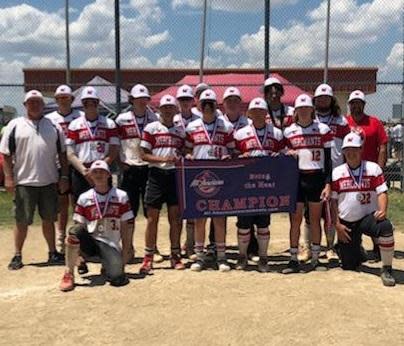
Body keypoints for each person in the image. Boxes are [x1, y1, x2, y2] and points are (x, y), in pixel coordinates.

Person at [0, 90, 68, 270]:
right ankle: (17, 255)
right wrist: (8, 178)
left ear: (43, 105)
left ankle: (53, 252)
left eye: (38, 102)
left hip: (48, 180)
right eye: (31, 102)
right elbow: (6, 154)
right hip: (24, 182)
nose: (35, 105)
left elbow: (62, 154)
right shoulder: (15, 125)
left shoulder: (53, 126)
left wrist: (64, 176)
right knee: (21, 220)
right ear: (25, 105)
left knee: (49, 219)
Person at [66, 86, 120, 273]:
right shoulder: (74, 125)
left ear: (98, 104)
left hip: (102, 171)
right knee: (81, 215)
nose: (90, 105)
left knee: (104, 213)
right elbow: (70, 153)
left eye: (94, 102)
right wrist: (84, 171)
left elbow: (113, 151)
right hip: (81, 171)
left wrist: (100, 169)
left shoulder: (109, 124)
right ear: (82, 104)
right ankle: (81, 256)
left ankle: (105, 254)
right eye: (87, 102)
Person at [331, 132, 395, 286]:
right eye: (347, 150)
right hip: (347, 222)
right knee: (349, 266)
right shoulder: (337, 172)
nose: (351, 153)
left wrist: (383, 210)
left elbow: (382, 192)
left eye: (355, 149)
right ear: (344, 152)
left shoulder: (373, 168)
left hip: (368, 217)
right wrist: (337, 225)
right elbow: (332, 203)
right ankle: (353, 250)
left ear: (361, 150)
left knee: (385, 226)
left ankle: (387, 268)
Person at [59, 160, 133, 292]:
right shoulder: (84, 198)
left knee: (117, 278)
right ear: (91, 176)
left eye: (102, 172)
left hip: (110, 244)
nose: (99, 175)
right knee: (73, 233)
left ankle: (107, 265)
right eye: (95, 172)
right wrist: (77, 255)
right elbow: (79, 226)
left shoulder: (121, 196)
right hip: (91, 241)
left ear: (108, 175)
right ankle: (68, 273)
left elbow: (126, 225)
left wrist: (126, 250)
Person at [283, 94, 334, 273]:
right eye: (300, 109)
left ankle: (315, 258)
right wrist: (288, 151)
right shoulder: (288, 131)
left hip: (316, 178)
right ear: (295, 111)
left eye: (307, 108)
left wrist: (328, 183)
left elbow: (328, 160)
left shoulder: (323, 129)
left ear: (312, 110)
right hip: (296, 179)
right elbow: (283, 154)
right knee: (295, 219)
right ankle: (293, 258)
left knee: (314, 219)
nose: (304, 111)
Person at [300, 84, 351, 262]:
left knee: (331, 210)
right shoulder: (310, 119)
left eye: (326, 97)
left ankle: (330, 247)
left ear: (332, 100)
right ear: (314, 100)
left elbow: (347, 147)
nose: (323, 100)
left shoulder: (341, 121)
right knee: (310, 211)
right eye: (319, 98)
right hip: (313, 170)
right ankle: (307, 246)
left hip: (335, 170)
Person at [233, 97, 285, 272]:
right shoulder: (240, 134)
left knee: (263, 223)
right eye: (254, 111)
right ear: (249, 114)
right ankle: (242, 257)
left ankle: (263, 258)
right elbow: (233, 158)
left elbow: (283, 155)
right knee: (243, 224)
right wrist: (240, 158)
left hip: (266, 186)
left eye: (261, 111)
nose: (258, 114)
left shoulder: (277, 133)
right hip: (245, 186)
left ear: (266, 113)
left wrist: (281, 157)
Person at [185, 89, 234, 272]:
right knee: (200, 218)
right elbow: (187, 149)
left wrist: (228, 157)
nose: (207, 107)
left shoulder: (225, 127)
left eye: (211, 104)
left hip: (220, 177)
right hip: (200, 178)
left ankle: (221, 256)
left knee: (219, 218)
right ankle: (199, 256)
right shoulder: (192, 127)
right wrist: (189, 156)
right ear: (199, 106)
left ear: (216, 105)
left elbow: (232, 150)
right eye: (204, 104)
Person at [138, 95, 186, 274]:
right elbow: (143, 154)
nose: (167, 110)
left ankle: (175, 255)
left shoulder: (181, 131)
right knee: (152, 218)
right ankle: (148, 256)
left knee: (175, 217)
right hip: (156, 174)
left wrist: (183, 156)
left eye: (170, 107)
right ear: (159, 109)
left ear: (176, 110)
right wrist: (163, 158)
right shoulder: (151, 128)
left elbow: (186, 150)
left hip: (174, 176)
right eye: (164, 107)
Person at [115, 84, 160, 262]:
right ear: (131, 100)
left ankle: (152, 248)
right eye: (138, 98)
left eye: (145, 98)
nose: (142, 101)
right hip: (130, 168)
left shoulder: (154, 118)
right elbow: (115, 143)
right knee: (129, 211)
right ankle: (129, 247)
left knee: (151, 211)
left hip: (149, 168)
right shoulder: (122, 119)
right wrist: (120, 163)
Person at [346, 90, 389, 261]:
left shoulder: (374, 123)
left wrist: (379, 169)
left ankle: (378, 245)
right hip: (349, 173)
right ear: (349, 105)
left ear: (364, 105)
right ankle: (353, 244)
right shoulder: (344, 122)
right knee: (352, 208)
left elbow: (383, 146)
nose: (356, 106)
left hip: (369, 174)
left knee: (374, 209)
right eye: (353, 103)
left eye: (359, 103)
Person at [46, 85, 83, 253]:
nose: (63, 100)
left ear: (72, 99)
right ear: (56, 100)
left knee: (78, 202)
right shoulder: (50, 119)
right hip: (58, 163)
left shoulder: (80, 116)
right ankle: (61, 237)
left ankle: (78, 234)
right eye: (60, 98)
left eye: (66, 97)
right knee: (62, 202)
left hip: (76, 163)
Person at [174, 85, 200, 259]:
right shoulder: (173, 118)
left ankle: (190, 244)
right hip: (176, 166)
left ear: (193, 101)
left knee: (192, 207)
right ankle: (176, 246)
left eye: (187, 99)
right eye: (182, 100)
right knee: (177, 208)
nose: (185, 103)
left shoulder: (199, 118)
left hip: (194, 166)